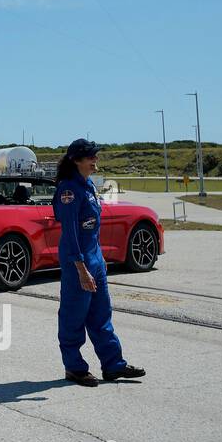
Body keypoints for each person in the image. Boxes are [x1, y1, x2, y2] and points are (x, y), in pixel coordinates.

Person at [53, 138, 146, 386]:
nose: (96, 161)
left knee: (101, 315)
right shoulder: (69, 190)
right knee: (73, 316)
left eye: (96, 156)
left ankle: (113, 365)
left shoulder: (88, 186)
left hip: (95, 260)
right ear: (76, 160)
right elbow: (71, 232)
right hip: (78, 263)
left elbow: (92, 229)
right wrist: (81, 268)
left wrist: (99, 261)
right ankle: (74, 367)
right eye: (91, 157)